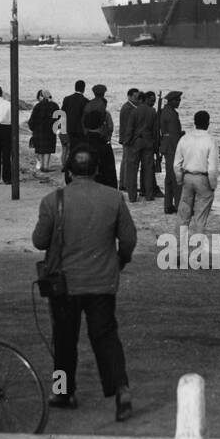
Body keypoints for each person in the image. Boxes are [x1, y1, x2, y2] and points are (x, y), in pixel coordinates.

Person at [32, 144, 137, 421]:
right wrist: (119, 261)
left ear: (68, 172)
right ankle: (121, 388)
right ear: (98, 170)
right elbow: (128, 240)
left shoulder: (52, 201)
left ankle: (62, 391)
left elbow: (39, 241)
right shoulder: (113, 198)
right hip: (102, 281)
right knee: (106, 337)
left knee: (63, 340)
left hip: (64, 284)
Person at [173, 109, 219, 234]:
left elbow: (177, 164)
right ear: (208, 123)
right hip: (203, 178)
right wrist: (213, 185)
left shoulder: (185, 138)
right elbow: (212, 168)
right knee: (201, 216)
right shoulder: (210, 140)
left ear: (194, 122)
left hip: (187, 177)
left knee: (183, 215)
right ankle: (198, 248)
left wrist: (179, 179)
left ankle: (178, 247)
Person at [159, 91, 184, 213]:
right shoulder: (172, 114)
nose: (179, 102)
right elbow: (174, 135)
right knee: (176, 178)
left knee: (169, 177)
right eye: (177, 100)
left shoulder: (164, 111)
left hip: (166, 145)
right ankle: (179, 205)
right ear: (172, 101)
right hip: (172, 148)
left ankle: (168, 205)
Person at [133, 90, 159, 201]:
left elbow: (130, 127)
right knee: (148, 169)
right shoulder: (152, 111)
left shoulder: (135, 110)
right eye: (152, 101)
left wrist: (129, 140)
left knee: (134, 169)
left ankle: (133, 196)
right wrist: (156, 144)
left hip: (137, 142)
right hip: (148, 142)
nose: (153, 103)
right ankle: (149, 194)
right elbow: (155, 130)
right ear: (146, 99)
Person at [81, 109, 118, 189]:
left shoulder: (79, 146)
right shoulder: (105, 147)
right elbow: (111, 176)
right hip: (101, 190)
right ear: (101, 125)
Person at [118, 87, 142, 199]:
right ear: (130, 96)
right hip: (128, 139)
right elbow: (129, 126)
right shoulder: (128, 108)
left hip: (125, 138)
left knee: (125, 160)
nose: (137, 99)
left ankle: (123, 183)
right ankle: (127, 184)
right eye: (135, 97)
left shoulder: (128, 106)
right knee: (128, 161)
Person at [29, 88, 59, 172]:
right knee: (47, 150)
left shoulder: (37, 106)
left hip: (39, 131)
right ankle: (46, 166)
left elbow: (32, 120)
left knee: (40, 149)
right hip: (50, 131)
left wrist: (32, 128)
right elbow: (59, 118)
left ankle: (42, 165)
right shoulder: (55, 105)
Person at [60, 80, 88, 164]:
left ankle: (65, 166)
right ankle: (74, 165)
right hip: (79, 130)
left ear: (75, 87)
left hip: (67, 128)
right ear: (84, 89)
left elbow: (62, 113)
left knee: (66, 149)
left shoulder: (67, 99)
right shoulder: (85, 101)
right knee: (77, 149)